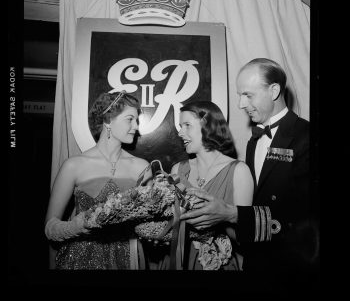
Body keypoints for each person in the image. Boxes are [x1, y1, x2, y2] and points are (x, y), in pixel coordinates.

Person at [180, 59, 317, 279]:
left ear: (274, 91)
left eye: (248, 95)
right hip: (257, 261)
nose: (241, 104)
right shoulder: (254, 140)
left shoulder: (306, 136)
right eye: (240, 95)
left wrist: (231, 213)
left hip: (293, 264)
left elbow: (303, 217)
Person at [45, 90, 152, 269]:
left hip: (128, 260)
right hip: (78, 261)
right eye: (130, 119)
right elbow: (49, 228)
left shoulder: (142, 167)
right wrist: (75, 227)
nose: (136, 127)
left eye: (137, 120)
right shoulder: (74, 165)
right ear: (108, 120)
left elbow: (147, 223)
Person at [168, 100, 254, 270]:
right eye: (180, 126)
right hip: (179, 261)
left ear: (208, 125)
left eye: (187, 125)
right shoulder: (177, 170)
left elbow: (245, 237)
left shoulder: (239, 171)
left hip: (220, 263)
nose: (180, 133)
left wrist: (221, 219)